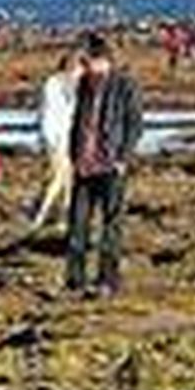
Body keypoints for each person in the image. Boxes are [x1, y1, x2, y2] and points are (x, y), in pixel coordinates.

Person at [65, 35, 143, 298]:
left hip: (111, 165)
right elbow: (79, 121)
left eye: (88, 61)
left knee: (111, 225)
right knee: (77, 225)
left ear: (103, 61)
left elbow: (134, 124)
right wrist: (72, 155)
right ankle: (74, 281)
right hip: (84, 165)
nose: (84, 65)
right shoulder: (84, 86)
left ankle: (107, 280)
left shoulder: (125, 85)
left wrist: (123, 158)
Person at [30, 52, 83, 229]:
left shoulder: (67, 85)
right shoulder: (54, 84)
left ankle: (63, 217)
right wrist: (54, 140)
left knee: (68, 179)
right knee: (58, 178)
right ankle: (40, 214)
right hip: (56, 138)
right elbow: (51, 115)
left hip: (65, 137)